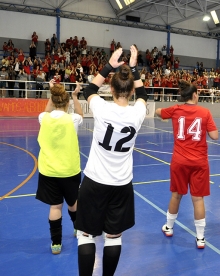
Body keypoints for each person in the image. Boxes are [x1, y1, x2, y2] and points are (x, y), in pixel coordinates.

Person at [75, 45, 148, 276]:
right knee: (114, 237)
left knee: (85, 235)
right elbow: (144, 95)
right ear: (129, 92)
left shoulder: (102, 109)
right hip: (121, 185)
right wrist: (134, 69)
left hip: (95, 181)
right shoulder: (138, 112)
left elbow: (89, 89)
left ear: (112, 88)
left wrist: (109, 65)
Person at [156, 80, 218, 249]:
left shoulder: (176, 109)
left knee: (176, 195)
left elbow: (158, 112)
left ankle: (169, 227)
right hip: (199, 162)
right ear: (195, 95)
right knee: (198, 199)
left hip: (180, 161)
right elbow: (214, 135)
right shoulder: (205, 112)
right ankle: (200, 238)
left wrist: (166, 115)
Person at [36, 79, 83, 255]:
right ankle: (78, 229)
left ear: (53, 100)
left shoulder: (43, 118)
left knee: (55, 207)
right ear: (67, 102)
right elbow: (80, 114)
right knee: (73, 203)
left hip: (48, 171)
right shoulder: (73, 120)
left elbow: (46, 111)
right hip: (69, 171)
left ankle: (56, 243)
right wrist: (75, 96)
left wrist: (52, 91)